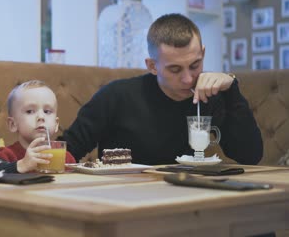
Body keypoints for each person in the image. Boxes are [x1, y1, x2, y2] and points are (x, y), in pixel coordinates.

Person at [63, 13, 263, 165]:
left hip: (187, 200)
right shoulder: (116, 96)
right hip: (124, 199)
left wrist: (231, 89)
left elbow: (250, 156)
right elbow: (69, 149)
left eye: (195, 65)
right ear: (152, 66)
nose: (187, 79)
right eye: (174, 69)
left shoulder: (210, 96)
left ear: (202, 53)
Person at [0, 80, 76, 173]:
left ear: (56, 124)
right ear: (13, 124)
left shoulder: (66, 158)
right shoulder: (6, 155)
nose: (41, 117)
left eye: (47, 111)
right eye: (30, 111)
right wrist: (21, 165)